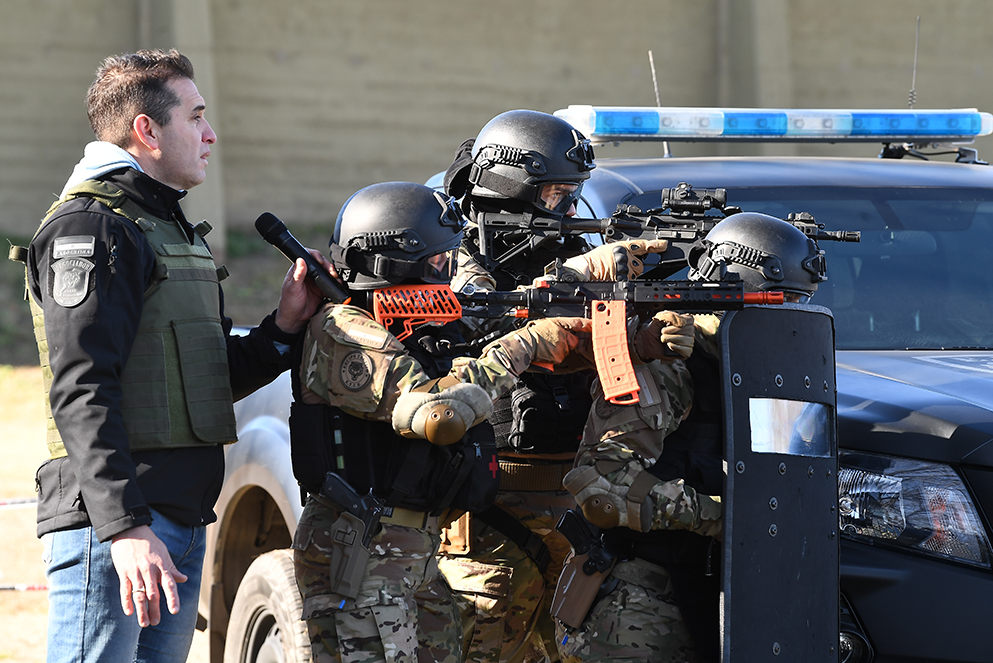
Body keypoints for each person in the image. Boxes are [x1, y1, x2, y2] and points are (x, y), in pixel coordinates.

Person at [14, 49, 327, 663]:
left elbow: (200, 379)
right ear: (147, 131)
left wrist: (284, 327)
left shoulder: (164, 225)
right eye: (196, 116)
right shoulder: (94, 228)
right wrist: (124, 527)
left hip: (176, 523)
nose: (211, 134)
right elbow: (81, 386)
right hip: (118, 531)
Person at [289, 180, 604, 663]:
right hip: (361, 553)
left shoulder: (409, 327)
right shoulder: (345, 330)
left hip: (412, 550)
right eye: (439, 262)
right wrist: (524, 346)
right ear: (395, 263)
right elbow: (440, 417)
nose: (450, 273)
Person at [436, 109, 669, 663]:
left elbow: (591, 341)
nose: (568, 210)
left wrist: (653, 329)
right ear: (506, 193)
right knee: (484, 640)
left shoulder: (566, 255)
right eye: (556, 195)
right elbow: (482, 328)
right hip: (491, 497)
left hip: (576, 492)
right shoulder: (457, 256)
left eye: (572, 195)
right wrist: (580, 277)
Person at [555, 212, 826, 663]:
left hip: (738, 600)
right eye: (782, 301)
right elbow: (601, 485)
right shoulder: (668, 363)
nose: (790, 318)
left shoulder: (766, 372)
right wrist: (720, 517)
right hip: (646, 607)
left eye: (800, 303)